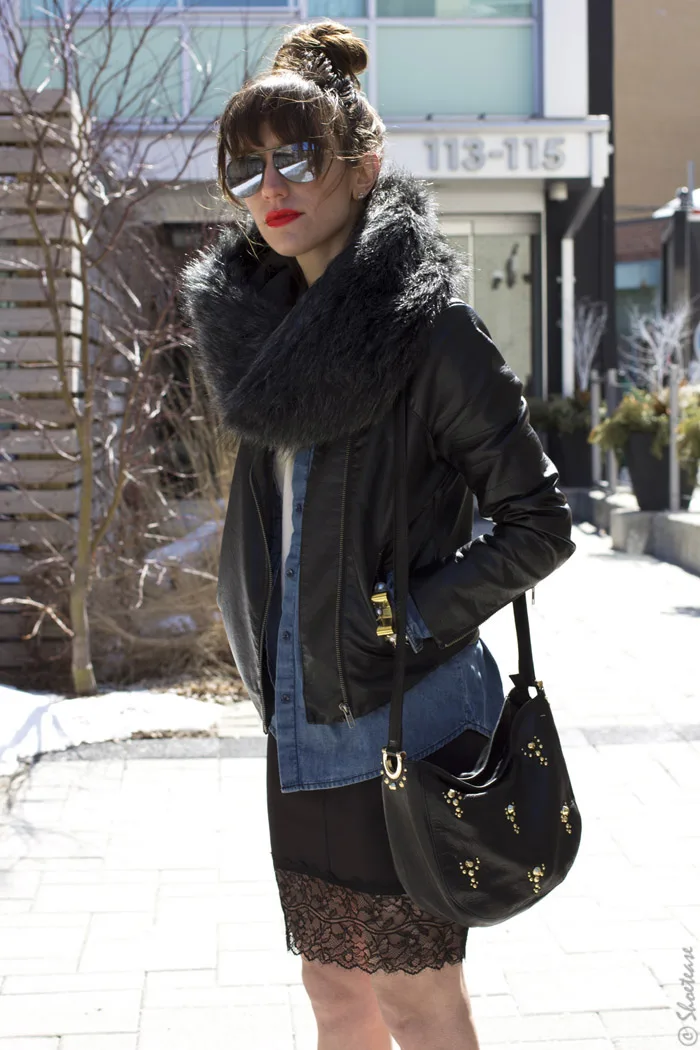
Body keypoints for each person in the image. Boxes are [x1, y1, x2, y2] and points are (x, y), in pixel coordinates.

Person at [180, 20, 575, 1050]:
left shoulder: (431, 331)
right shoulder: (259, 345)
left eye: (299, 156)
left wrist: (403, 620)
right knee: (331, 990)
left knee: (414, 997)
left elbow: (539, 523)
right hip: (301, 723)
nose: (272, 184)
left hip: (403, 714)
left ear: (362, 165)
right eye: (246, 166)